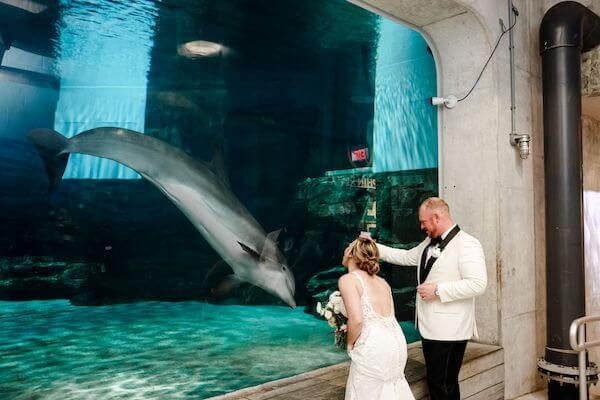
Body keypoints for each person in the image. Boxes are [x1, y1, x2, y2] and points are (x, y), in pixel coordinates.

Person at [375, 197, 487, 400]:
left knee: (441, 383)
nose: (421, 226)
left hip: (450, 330)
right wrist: (376, 249)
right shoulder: (429, 242)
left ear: (436, 217)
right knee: (441, 382)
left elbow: (478, 284)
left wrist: (438, 290)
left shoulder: (468, 244)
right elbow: (408, 257)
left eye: (423, 221)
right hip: (432, 328)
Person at [339, 237, 415, 400]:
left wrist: (350, 343)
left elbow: (357, 319)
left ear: (351, 254)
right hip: (397, 344)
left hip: (374, 346)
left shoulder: (348, 280)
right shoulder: (382, 283)